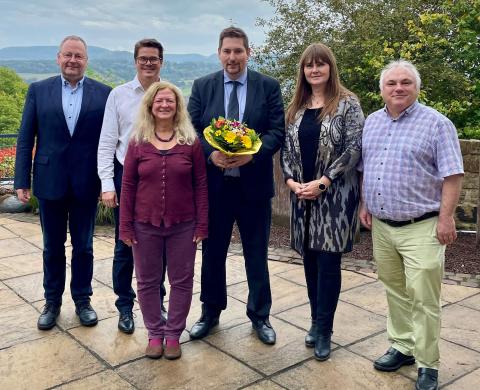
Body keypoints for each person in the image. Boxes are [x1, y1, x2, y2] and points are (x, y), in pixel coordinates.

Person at [359, 60, 464, 390]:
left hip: (423, 226)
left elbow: (453, 175)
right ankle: (403, 345)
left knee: (424, 298)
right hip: (383, 226)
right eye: (391, 83)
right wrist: (366, 203)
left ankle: (428, 363)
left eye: (405, 82)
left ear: (416, 87)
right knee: (395, 291)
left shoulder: (437, 124)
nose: (398, 88)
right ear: (382, 89)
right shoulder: (372, 122)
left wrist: (446, 218)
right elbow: (368, 168)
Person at [187, 26, 285, 345]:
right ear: (219, 53)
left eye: (238, 51)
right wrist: (210, 153)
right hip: (214, 188)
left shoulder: (267, 87)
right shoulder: (203, 87)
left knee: (256, 255)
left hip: (253, 188)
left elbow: (276, 131)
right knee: (213, 254)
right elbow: (192, 129)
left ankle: (260, 316)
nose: (233, 57)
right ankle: (210, 313)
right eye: (227, 51)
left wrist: (251, 154)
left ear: (248, 53)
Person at [14, 36, 111, 330]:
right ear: (58, 58)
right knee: (52, 247)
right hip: (49, 181)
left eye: (78, 56)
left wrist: (107, 181)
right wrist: (21, 179)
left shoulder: (103, 93)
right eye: (68, 55)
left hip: (85, 183)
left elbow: (108, 141)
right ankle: (52, 302)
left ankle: (83, 300)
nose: (73, 60)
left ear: (86, 61)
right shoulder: (38, 90)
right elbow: (24, 137)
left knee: (84, 247)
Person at [280, 43, 364, 360]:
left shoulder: (347, 104)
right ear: (303, 71)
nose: (314, 70)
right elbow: (286, 152)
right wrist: (292, 183)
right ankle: (315, 323)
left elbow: (354, 148)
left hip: (335, 198)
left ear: (330, 68)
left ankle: (325, 331)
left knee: (328, 264)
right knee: (310, 261)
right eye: (309, 65)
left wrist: (323, 182)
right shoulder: (297, 108)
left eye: (321, 64)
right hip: (302, 198)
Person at [119, 81, 208, 359]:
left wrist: (202, 223)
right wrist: (125, 224)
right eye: (159, 101)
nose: (164, 105)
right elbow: (128, 185)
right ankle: (155, 333)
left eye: (170, 101)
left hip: (184, 225)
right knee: (146, 281)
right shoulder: (137, 142)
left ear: (178, 106)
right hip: (144, 225)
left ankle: (173, 335)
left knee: (181, 281)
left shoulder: (190, 142)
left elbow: (201, 185)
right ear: (150, 106)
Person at [97, 38, 168, 334]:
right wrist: (107, 184)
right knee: (124, 244)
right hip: (126, 175)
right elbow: (107, 143)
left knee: (160, 246)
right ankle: (125, 306)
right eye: (143, 58)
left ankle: (157, 302)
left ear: (161, 62)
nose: (148, 63)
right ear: (135, 61)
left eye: (153, 58)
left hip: (161, 178)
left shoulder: (169, 94)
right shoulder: (119, 95)